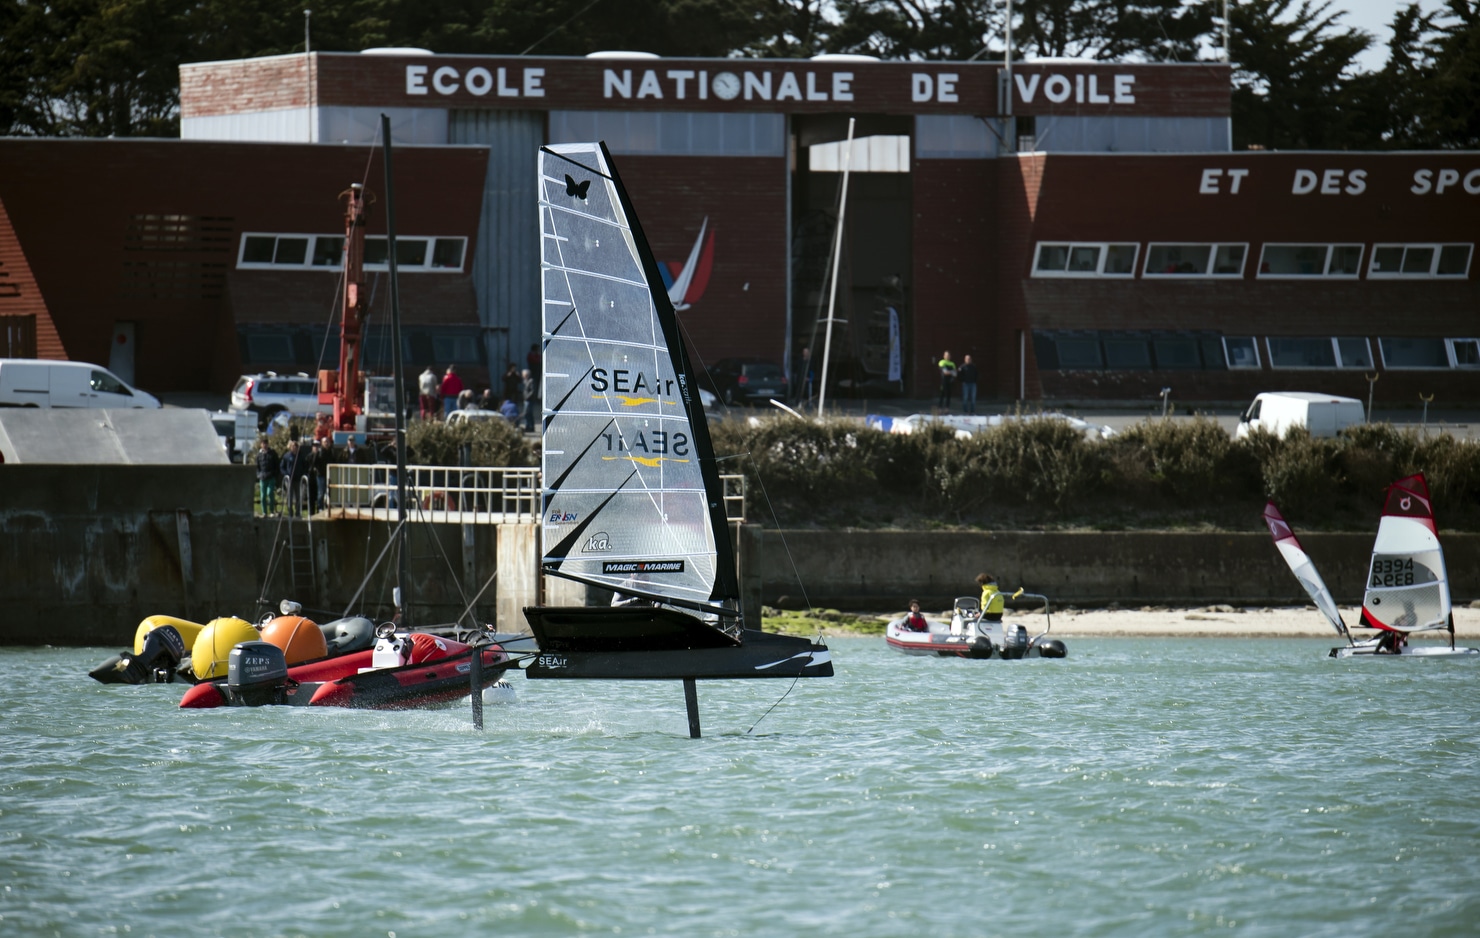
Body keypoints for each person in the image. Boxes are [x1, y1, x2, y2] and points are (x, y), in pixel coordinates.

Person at [255, 438, 279, 515]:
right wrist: (258, 475)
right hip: (262, 477)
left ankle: (271, 511)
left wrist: (274, 474)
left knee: (270, 493)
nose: (264, 445)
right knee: (263, 496)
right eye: (263, 444)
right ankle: (264, 512)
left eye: (266, 443)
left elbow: (277, 464)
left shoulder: (272, 453)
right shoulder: (259, 455)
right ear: (261, 445)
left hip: (271, 476)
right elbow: (257, 466)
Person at [520, 368, 538, 433]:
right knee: (527, 414)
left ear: (526, 375)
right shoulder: (525, 381)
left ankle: (530, 426)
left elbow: (532, 391)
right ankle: (528, 426)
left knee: (528, 413)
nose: (522, 376)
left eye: (523, 374)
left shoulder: (531, 381)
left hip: (529, 400)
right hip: (526, 400)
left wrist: (527, 397)